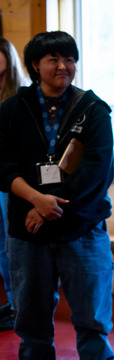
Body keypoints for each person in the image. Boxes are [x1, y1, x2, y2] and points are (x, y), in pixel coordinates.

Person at [0, 31, 114, 360]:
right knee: (31, 326)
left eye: (69, 59)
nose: (63, 66)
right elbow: (4, 167)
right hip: (27, 234)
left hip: (82, 230)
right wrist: (36, 200)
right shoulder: (12, 110)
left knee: (92, 324)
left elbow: (98, 173)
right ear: (35, 65)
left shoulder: (93, 110)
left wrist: (49, 207)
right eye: (53, 60)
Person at [0, 37, 30, 332]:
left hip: (11, 181)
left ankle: (18, 304)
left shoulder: (19, 97)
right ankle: (12, 302)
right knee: (0, 243)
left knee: (10, 243)